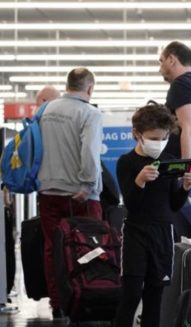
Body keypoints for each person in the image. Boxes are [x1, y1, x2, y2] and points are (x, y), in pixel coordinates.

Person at [114, 103, 191, 327]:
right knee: (131, 294)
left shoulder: (169, 161)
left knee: (155, 295)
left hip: (163, 233)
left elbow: (173, 205)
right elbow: (131, 204)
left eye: (163, 138)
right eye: (153, 138)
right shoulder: (127, 162)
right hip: (136, 232)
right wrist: (140, 181)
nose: (158, 143)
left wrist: (186, 187)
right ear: (137, 134)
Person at [37, 68, 103, 319]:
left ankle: (58, 304)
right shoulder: (89, 113)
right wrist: (87, 185)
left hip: (48, 191)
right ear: (90, 89)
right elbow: (89, 153)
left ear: (67, 85)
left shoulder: (44, 111)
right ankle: (89, 296)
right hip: (80, 194)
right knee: (90, 246)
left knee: (52, 248)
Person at [159, 41, 191, 169]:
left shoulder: (181, 84)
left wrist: (185, 170)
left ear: (171, 60)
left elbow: (190, 129)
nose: (159, 68)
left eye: (161, 61)